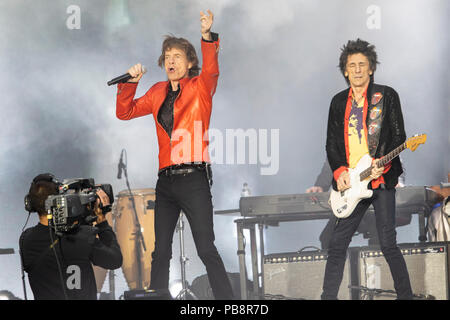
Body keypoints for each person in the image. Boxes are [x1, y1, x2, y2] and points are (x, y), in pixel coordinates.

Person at [115, 10, 234, 299]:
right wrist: (130, 83)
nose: (171, 60)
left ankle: (228, 301)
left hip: (193, 177)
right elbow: (125, 112)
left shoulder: (201, 87)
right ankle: (158, 297)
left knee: (206, 247)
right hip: (166, 181)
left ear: (190, 62)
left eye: (177, 56)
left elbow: (213, 69)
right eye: (167, 55)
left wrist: (207, 37)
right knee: (161, 251)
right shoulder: (156, 91)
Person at [321, 39, 413, 300]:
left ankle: (405, 296)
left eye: (362, 64)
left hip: (380, 178)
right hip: (352, 182)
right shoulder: (338, 102)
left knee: (388, 243)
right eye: (352, 65)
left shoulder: (386, 95)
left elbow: (399, 135)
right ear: (345, 70)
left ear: (371, 68)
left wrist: (382, 162)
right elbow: (330, 143)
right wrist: (339, 173)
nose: (358, 70)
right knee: (337, 244)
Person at [19, 173, 123, 300]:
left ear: (30, 204)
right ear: (59, 201)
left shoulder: (25, 240)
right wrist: (102, 221)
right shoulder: (82, 237)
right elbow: (115, 260)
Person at [307, 159, 407, 248]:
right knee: (328, 238)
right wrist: (320, 186)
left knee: (380, 236)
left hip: (374, 201)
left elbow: (394, 159)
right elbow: (332, 163)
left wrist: (396, 180)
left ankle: (376, 267)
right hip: (350, 202)